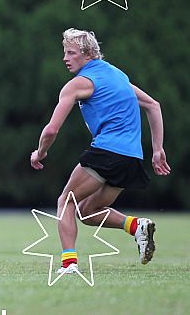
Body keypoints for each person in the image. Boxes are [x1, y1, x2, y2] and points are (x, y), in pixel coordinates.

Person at [30, 28, 171, 274]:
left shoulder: (78, 84)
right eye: (64, 52)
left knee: (66, 201)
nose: (65, 58)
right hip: (132, 158)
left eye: (71, 53)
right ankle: (136, 225)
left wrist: (40, 152)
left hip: (107, 152)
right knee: (87, 212)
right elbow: (153, 105)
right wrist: (157, 150)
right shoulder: (118, 76)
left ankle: (69, 264)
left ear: (87, 54)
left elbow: (52, 130)